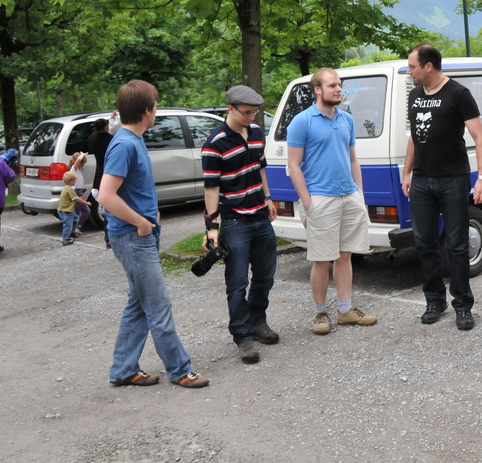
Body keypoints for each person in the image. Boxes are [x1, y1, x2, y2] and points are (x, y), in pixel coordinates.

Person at [99, 79, 208, 389]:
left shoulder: (133, 140)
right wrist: (141, 222)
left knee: (139, 306)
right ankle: (180, 370)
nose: (157, 110)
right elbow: (106, 196)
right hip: (134, 238)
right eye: (156, 105)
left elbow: (130, 189)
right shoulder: (124, 144)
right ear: (147, 110)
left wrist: (151, 213)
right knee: (158, 306)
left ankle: (123, 369)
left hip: (139, 235)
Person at [402, 43, 482, 331]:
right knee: (424, 243)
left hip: (453, 179)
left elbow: (480, 137)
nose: (409, 71)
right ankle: (434, 301)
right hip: (421, 180)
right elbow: (414, 137)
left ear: (428, 66)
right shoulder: (415, 95)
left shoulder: (458, 94)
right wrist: (407, 172)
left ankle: (462, 305)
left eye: (412, 66)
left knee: (457, 245)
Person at [288, 68, 378, 336]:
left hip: (349, 196)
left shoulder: (346, 119)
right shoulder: (302, 121)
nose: (338, 89)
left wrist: (359, 194)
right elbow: (293, 165)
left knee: (345, 255)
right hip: (320, 198)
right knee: (321, 259)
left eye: (339, 85)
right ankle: (320, 312)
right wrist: (308, 201)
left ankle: (345, 310)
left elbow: (353, 159)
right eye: (332, 85)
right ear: (317, 89)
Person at [201, 85, 280, 364]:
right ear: (230, 109)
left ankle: (258, 322)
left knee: (265, 276)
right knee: (236, 283)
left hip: (260, 216)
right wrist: (212, 227)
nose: (251, 117)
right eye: (246, 112)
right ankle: (242, 336)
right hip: (235, 221)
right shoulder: (214, 144)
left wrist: (268, 198)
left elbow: (260, 167)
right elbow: (211, 189)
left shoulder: (256, 132)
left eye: (254, 112)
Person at [87, 117, 113, 247]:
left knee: (106, 208)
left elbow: (94, 134)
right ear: (106, 127)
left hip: (99, 175)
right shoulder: (111, 139)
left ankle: (108, 238)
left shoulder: (92, 139)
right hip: (109, 173)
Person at [58, 171, 90, 245]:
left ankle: (72, 232)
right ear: (71, 181)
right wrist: (86, 203)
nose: (75, 182)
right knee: (67, 224)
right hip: (66, 211)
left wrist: (78, 198)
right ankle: (65, 239)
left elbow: (72, 198)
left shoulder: (65, 188)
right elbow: (76, 199)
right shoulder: (70, 189)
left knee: (76, 219)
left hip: (68, 211)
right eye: (75, 181)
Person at [67, 152, 92, 235]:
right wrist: (82, 155)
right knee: (86, 210)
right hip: (76, 192)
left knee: (77, 212)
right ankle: (76, 227)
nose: (82, 164)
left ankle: (72, 229)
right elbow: (78, 160)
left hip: (79, 191)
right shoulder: (73, 169)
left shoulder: (77, 170)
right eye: (82, 162)